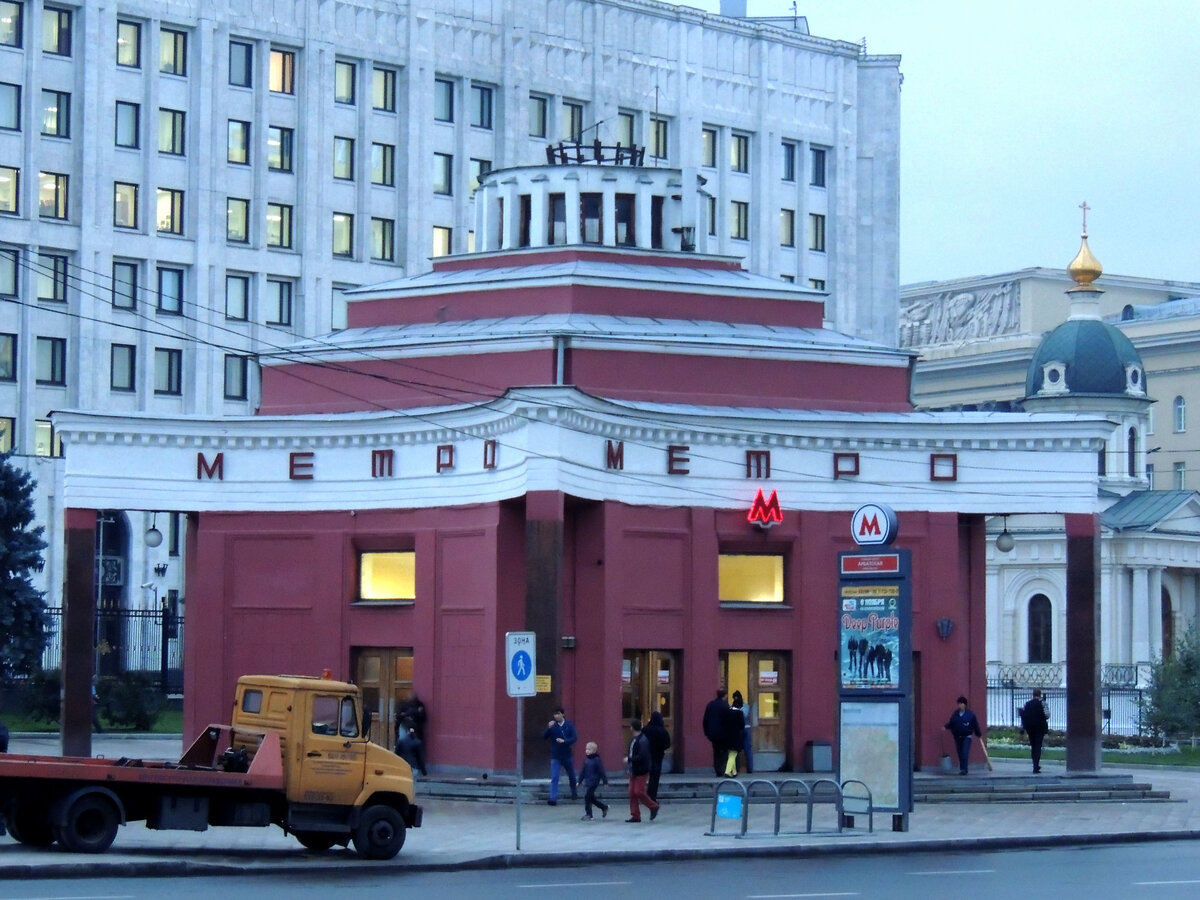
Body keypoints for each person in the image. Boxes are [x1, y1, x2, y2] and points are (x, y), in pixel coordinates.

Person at [623, 718, 659, 822]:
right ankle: (635, 815)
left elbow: (642, 756)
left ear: (633, 728)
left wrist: (629, 759)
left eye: (630, 726)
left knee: (638, 791)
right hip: (634, 769)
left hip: (641, 769)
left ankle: (653, 806)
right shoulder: (635, 739)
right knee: (632, 792)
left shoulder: (642, 740)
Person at [542, 706, 578, 805]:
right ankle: (552, 798)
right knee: (555, 777)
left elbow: (574, 738)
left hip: (567, 755)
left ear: (563, 714)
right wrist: (548, 728)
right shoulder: (553, 726)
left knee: (571, 776)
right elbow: (544, 737)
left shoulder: (569, 725)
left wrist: (565, 741)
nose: (556, 716)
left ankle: (574, 792)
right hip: (556, 756)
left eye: (558, 713)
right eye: (555, 714)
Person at [944, 695, 982, 775]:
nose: (959, 705)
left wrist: (978, 733)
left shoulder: (970, 715)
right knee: (960, 753)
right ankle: (962, 768)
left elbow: (975, 725)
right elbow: (952, 723)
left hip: (967, 737)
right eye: (958, 704)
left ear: (965, 704)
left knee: (965, 752)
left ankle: (964, 769)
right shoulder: (955, 714)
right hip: (957, 737)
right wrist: (945, 727)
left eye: (961, 703)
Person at [642, 710, 671, 801]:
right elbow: (667, 744)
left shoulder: (646, 729)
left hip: (646, 756)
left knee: (643, 777)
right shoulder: (662, 731)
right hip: (658, 756)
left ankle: (643, 795)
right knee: (655, 778)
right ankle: (652, 796)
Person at [1020, 688, 1050, 773]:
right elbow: (1047, 715)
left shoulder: (1028, 704)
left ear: (1033, 694)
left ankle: (1034, 764)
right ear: (1040, 694)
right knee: (1038, 745)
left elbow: (1024, 715)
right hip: (1040, 727)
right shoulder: (1042, 703)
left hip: (1030, 727)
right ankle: (1036, 766)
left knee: (1033, 745)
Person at [702, 688, 729, 777]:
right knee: (724, 752)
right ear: (725, 696)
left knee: (716, 751)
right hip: (724, 733)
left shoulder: (710, 705)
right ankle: (723, 769)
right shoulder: (725, 706)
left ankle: (718, 770)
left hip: (713, 733)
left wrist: (706, 732)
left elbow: (705, 719)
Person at [579, 740, 609, 820]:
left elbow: (601, 771)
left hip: (594, 782)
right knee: (591, 798)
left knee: (587, 797)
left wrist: (605, 781)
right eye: (586, 749)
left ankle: (589, 814)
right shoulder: (586, 760)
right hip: (588, 781)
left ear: (594, 751)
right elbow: (582, 771)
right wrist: (579, 781)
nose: (587, 751)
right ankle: (603, 807)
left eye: (589, 749)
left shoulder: (596, 760)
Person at [721, 696, 745, 776]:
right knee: (733, 754)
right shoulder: (739, 713)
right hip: (735, 736)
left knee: (731, 753)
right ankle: (727, 771)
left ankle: (734, 772)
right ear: (740, 706)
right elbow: (742, 725)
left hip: (726, 736)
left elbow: (723, 723)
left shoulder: (727, 712)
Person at [731, 690, 754, 774]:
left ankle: (736, 768)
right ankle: (750, 769)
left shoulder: (732, 707)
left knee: (735, 749)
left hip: (737, 730)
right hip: (747, 728)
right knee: (748, 749)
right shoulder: (746, 706)